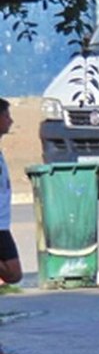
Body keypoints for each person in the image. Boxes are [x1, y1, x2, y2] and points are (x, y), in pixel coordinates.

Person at [0, 98, 22, 288]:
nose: (10, 121)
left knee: (14, 274)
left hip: (2, 223)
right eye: (6, 116)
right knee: (13, 273)